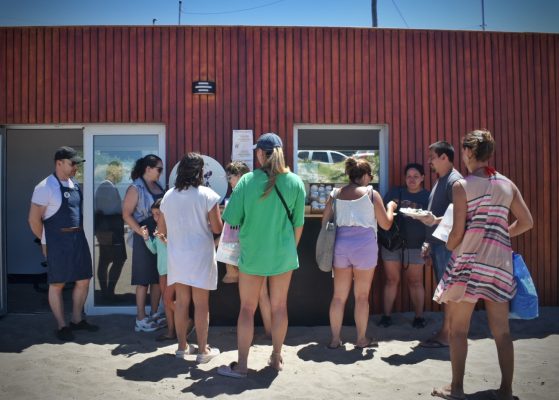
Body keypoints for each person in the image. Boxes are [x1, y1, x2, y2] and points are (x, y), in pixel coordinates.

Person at [431, 130, 533, 400]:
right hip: (498, 264)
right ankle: (506, 391)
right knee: (502, 331)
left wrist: (451, 245)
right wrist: (499, 234)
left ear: (469, 152)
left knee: (458, 329)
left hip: (468, 262)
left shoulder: (461, 186)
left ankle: (457, 389)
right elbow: (527, 222)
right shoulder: (507, 184)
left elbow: (456, 234)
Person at [217, 132, 305, 378]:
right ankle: (276, 358)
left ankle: (242, 365)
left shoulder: (246, 181)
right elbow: (298, 223)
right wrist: (291, 249)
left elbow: (231, 219)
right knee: (279, 307)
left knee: (247, 308)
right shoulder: (295, 182)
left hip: (252, 254)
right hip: (283, 254)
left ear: (259, 154)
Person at [324, 157, 397, 350]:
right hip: (365, 247)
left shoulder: (335, 193)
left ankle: (334, 339)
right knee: (362, 297)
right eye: (370, 176)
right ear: (365, 175)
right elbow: (386, 224)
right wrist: (391, 208)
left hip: (340, 245)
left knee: (338, 296)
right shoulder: (372, 194)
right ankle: (361, 339)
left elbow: (325, 222)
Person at [28, 146, 99, 341]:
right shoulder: (45, 187)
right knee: (57, 283)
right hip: (57, 241)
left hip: (77, 238)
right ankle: (61, 325)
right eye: (72, 163)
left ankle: (77, 319)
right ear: (59, 163)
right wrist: (45, 241)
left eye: (77, 163)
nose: (76, 167)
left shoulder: (74, 184)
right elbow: (34, 220)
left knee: (84, 279)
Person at [157, 153, 223, 363]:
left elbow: (162, 230)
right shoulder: (207, 194)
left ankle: (181, 347)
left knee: (182, 301)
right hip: (201, 254)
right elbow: (217, 228)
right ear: (200, 171)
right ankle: (203, 351)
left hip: (177, 255)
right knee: (201, 304)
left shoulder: (168, 196)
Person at [415, 141, 463, 348]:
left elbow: (461, 216)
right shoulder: (442, 180)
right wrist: (428, 242)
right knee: (446, 291)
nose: (429, 161)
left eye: (433, 157)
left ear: (445, 157)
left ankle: (447, 334)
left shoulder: (455, 181)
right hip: (439, 245)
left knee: (450, 292)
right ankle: (447, 332)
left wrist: (433, 221)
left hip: (448, 246)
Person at [223, 161, 272, 339]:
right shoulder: (260, 192)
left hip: (245, 249)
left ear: (240, 176)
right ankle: (269, 332)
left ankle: (247, 338)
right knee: (262, 294)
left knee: (247, 301)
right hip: (263, 246)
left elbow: (231, 224)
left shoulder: (238, 195)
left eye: (231, 177)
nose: (229, 181)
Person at [378, 162, 430, 329]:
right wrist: (390, 206)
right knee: (391, 280)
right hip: (392, 243)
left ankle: (419, 317)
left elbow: (434, 222)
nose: (412, 180)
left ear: (422, 178)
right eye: (409, 176)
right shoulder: (395, 192)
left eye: (416, 176)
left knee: (415, 281)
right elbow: (382, 214)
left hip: (416, 244)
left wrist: (428, 243)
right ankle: (386, 316)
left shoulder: (428, 197)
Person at [141, 199, 194, 342]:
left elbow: (179, 249)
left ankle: (186, 321)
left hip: (173, 269)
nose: (155, 217)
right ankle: (171, 331)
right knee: (166, 302)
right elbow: (154, 250)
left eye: (158, 213)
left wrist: (165, 240)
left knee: (167, 299)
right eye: (153, 214)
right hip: (162, 271)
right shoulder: (158, 229)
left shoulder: (173, 227)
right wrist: (146, 238)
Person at [122, 154, 164, 332]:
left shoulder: (158, 186)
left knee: (156, 278)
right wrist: (140, 231)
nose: (161, 173)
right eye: (159, 169)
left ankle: (154, 314)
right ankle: (140, 317)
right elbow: (126, 214)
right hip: (144, 235)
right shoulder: (135, 188)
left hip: (159, 234)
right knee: (143, 279)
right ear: (148, 169)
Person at [94, 160, 127, 300]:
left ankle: (106, 292)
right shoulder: (106, 186)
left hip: (106, 226)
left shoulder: (107, 186)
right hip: (110, 226)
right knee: (117, 259)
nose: (122, 174)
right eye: (121, 171)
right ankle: (108, 292)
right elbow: (108, 208)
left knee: (105, 259)